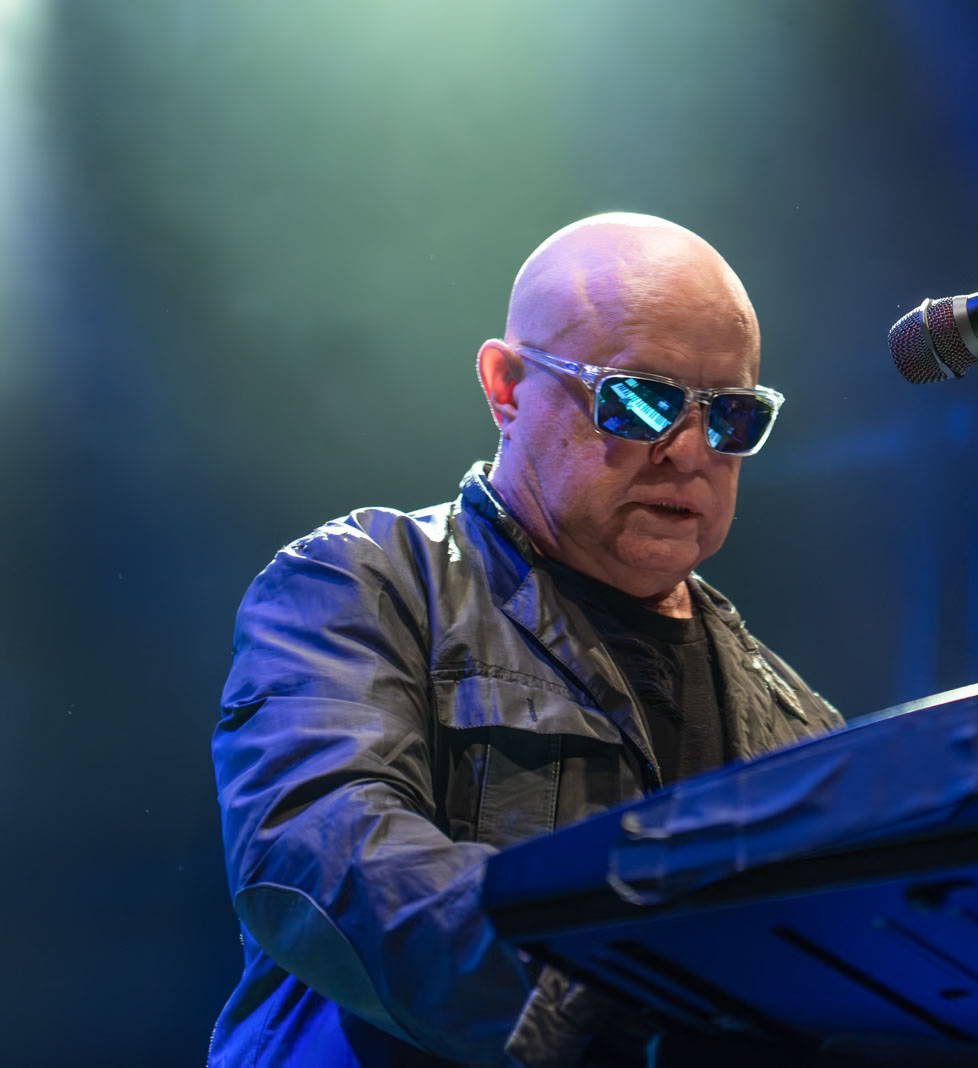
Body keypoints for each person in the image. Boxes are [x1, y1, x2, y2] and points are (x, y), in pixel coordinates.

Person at [208, 214, 845, 1066]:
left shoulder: (803, 722)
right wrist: (627, 1002)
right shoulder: (362, 583)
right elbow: (317, 852)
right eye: (640, 400)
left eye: (731, 417)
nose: (690, 450)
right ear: (505, 387)